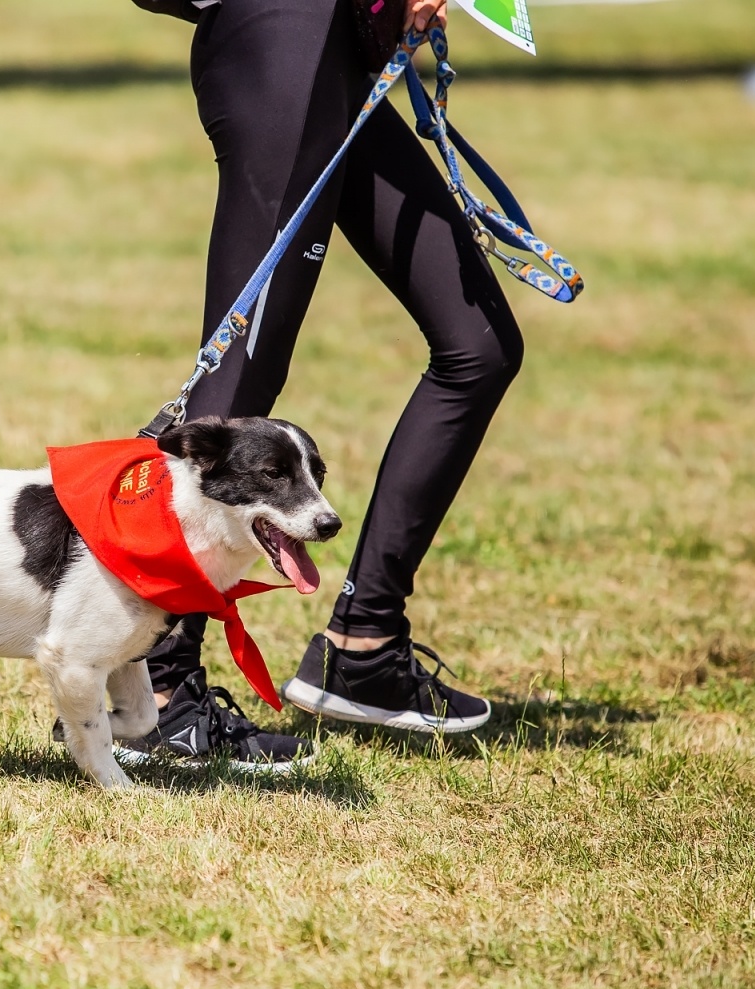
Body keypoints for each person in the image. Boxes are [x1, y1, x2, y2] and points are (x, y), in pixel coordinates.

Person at [121, 0, 523, 770]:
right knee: (238, 379)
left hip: (342, 52)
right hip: (287, 32)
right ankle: (156, 691)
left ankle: (364, 646)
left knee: (480, 347)